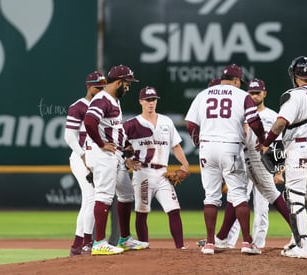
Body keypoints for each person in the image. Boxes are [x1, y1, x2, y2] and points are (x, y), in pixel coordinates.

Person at [185, 64, 267, 255]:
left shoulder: (203, 94)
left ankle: (210, 244)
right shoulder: (242, 95)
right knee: (239, 195)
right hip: (230, 145)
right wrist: (263, 140)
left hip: (207, 147)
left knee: (211, 196)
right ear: (237, 81)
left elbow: (190, 124)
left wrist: (198, 142)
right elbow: (254, 121)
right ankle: (247, 242)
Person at [260, 56, 307, 258]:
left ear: (294, 74)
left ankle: (302, 246)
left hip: (298, 147)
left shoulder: (293, 95)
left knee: (295, 197)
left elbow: (280, 123)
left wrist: (266, 143)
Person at [84, 65, 149, 255]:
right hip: (102, 154)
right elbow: (89, 121)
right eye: (127, 84)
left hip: (115, 153)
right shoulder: (102, 99)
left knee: (126, 194)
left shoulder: (114, 100)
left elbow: (115, 128)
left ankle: (124, 238)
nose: (128, 88)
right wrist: (101, 143)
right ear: (119, 82)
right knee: (104, 195)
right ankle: (99, 243)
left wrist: (126, 145)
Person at [222, 78, 292, 249]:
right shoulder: (241, 115)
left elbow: (280, 146)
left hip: (264, 164)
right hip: (243, 162)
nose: (254, 96)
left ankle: (258, 244)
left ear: (264, 93)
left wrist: (279, 172)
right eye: (251, 93)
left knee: (262, 209)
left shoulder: (273, 116)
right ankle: (228, 243)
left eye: (257, 93)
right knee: (237, 200)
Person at [124, 86, 189, 249]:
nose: (151, 103)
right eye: (147, 100)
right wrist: (127, 161)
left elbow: (176, 146)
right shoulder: (132, 124)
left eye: (153, 99)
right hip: (142, 172)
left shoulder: (166, 121)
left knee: (174, 209)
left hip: (162, 173)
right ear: (141, 102)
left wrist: (185, 164)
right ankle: (144, 246)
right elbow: (119, 146)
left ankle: (180, 247)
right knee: (142, 211)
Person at [65, 71, 106, 256]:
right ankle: (87, 242)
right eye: (97, 87)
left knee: (89, 200)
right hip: (80, 158)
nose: (100, 90)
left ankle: (77, 244)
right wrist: (82, 155)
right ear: (89, 86)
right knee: (92, 197)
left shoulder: (105, 105)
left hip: (97, 158)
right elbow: (69, 136)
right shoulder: (78, 106)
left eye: (103, 87)